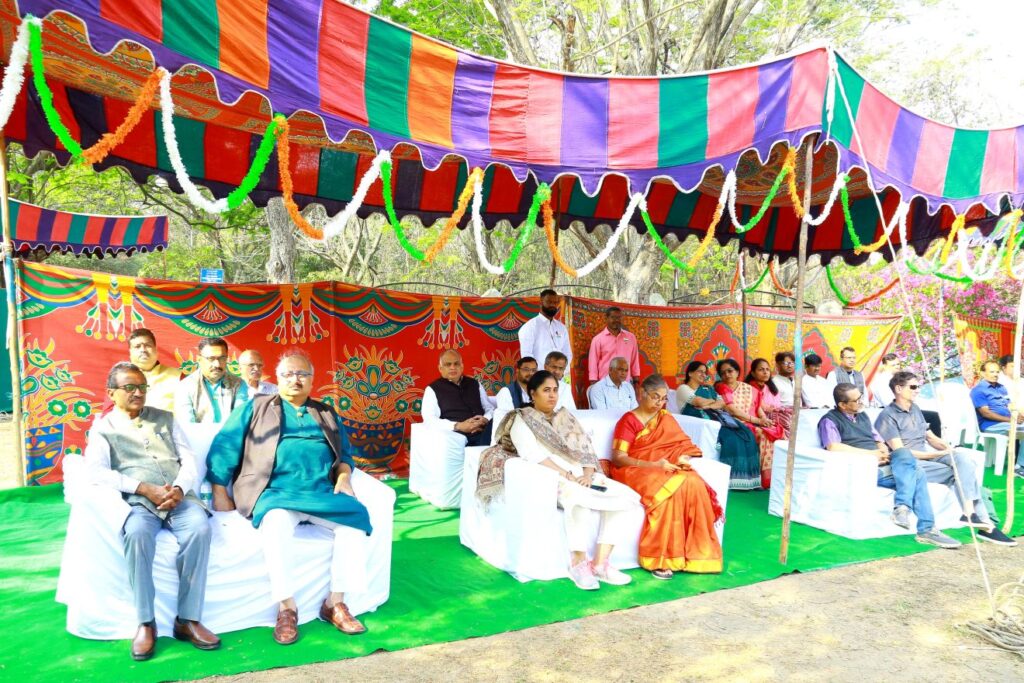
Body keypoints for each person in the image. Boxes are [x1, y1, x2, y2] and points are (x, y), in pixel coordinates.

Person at [206, 351, 374, 643]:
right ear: (277, 378)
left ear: (311, 380)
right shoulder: (255, 407)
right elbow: (225, 446)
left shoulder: (325, 412)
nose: (295, 380)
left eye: (302, 375)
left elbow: (345, 454)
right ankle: (287, 607)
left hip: (321, 491)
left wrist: (344, 476)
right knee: (275, 524)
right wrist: (220, 490)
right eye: (288, 374)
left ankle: (335, 603)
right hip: (275, 492)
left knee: (356, 520)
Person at [85, 362, 219, 660]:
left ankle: (188, 620)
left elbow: (189, 459)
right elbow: (95, 472)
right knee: (135, 534)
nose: (137, 393)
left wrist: (181, 489)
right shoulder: (103, 429)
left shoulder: (165, 418)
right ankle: (146, 622)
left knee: (199, 528)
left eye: (142, 387)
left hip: (178, 497)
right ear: (112, 393)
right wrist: (142, 487)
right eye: (129, 388)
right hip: (140, 502)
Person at [476, 371, 641, 590]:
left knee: (627, 497)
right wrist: (567, 475)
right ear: (532, 393)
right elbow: (532, 454)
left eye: (555, 390)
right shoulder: (521, 418)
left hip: (581, 476)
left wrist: (588, 474)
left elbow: (586, 448)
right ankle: (578, 563)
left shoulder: (566, 417)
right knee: (578, 498)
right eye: (546, 390)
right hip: (550, 477)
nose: (552, 395)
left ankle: (601, 563)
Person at [876, 371, 1014, 545]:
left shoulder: (915, 409)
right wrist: (937, 454)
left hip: (928, 457)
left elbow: (931, 437)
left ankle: (970, 514)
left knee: (963, 460)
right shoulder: (887, 415)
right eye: (913, 387)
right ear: (898, 389)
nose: (918, 390)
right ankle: (985, 527)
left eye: (919, 386)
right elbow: (901, 452)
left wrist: (949, 448)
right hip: (910, 463)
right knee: (961, 474)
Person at [820, 382, 960, 548]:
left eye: (861, 397)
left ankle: (903, 509)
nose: (861, 402)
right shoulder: (829, 420)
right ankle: (925, 528)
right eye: (857, 400)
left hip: (884, 462)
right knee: (918, 473)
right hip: (865, 468)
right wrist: (872, 455)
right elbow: (834, 447)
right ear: (842, 405)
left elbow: (878, 439)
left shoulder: (862, 415)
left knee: (903, 453)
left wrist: (882, 451)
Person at [611, 374, 723, 579]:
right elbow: (618, 458)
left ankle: (696, 554)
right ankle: (659, 557)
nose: (659, 403)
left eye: (663, 399)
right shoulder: (628, 421)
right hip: (634, 470)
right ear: (641, 394)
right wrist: (653, 465)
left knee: (694, 483)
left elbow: (683, 444)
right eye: (655, 397)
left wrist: (681, 457)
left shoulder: (665, 417)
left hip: (665, 466)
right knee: (666, 493)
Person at [677, 361, 760, 490]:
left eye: (705, 372)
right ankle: (733, 479)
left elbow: (722, 403)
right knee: (731, 438)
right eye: (700, 371)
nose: (703, 375)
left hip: (717, 418)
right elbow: (698, 401)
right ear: (690, 373)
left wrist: (706, 404)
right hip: (702, 422)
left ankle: (749, 479)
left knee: (746, 433)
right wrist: (710, 402)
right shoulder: (683, 389)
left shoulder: (709, 388)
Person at [715, 358, 783, 490]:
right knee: (763, 434)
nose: (727, 375)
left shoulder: (748, 388)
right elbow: (732, 410)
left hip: (750, 420)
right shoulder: (721, 387)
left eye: (730, 371)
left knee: (774, 432)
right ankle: (763, 479)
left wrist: (764, 419)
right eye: (723, 373)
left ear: (737, 372)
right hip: (732, 423)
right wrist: (758, 421)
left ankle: (769, 478)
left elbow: (757, 407)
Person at [420, 350, 496, 447]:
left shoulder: (475, 384)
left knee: (506, 418)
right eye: (448, 364)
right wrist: (459, 426)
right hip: (459, 435)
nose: (453, 367)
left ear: (462, 366)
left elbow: (489, 408)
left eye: (456, 364)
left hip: (484, 429)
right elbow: (429, 419)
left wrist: (485, 419)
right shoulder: (432, 389)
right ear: (440, 368)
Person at [174, 337, 248, 423]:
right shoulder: (185, 386)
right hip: (197, 435)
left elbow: (239, 420)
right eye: (211, 359)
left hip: (230, 435)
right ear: (199, 359)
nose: (217, 364)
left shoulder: (238, 384)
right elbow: (186, 425)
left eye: (222, 358)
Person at [970, 359, 1024, 478]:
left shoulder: (1001, 388)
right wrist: (1011, 420)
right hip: (990, 425)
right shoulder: (978, 390)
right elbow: (986, 414)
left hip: (1006, 422)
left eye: (997, 372)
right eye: (992, 372)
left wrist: (1017, 414)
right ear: (983, 373)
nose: (995, 374)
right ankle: (1020, 467)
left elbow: (1009, 405)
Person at [744, 358, 792, 488]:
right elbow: (760, 407)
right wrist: (764, 419)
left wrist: (767, 419)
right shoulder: (749, 388)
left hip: (763, 419)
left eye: (767, 369)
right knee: (767, 435)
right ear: (753, 373)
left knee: (783, 434)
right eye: (761, 369)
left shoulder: (768, 386)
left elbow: (768, 407)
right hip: (748, 420)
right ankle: (765, 479)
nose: (765, 372)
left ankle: (780, 475)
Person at [518, 289, 572, 385]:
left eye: (555, 302)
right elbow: (527, 357)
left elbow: (567, 353)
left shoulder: (561, 328)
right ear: (541, 302)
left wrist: (561, 371)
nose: (552, 305)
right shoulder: (530, 327)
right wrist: (541, 375)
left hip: (559, 380)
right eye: (549, 302)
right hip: (539, 380)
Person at [127, 328, 180, 412]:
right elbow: (108, 414)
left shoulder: (178, 376)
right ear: (130, 352)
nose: (143, 350)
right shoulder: (121, 378)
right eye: (137, 347)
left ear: (155, 349)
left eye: (147, 345)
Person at [587, 306, 640, 385]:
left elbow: (635, 361)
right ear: (606, 318)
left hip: (625, 383)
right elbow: (593, 364)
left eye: (618, 317)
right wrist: (593, 384)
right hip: (605, 384)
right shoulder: (597, 339)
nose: (616, 320)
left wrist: (636, 382)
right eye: (613, 317)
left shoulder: (631, 337)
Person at [493, 356, 537, 434]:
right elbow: (506, 423)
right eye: (526, 369)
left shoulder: (538, 391)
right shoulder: (506, 392)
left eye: (534, 370)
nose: (531, 373)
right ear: (517, 371)